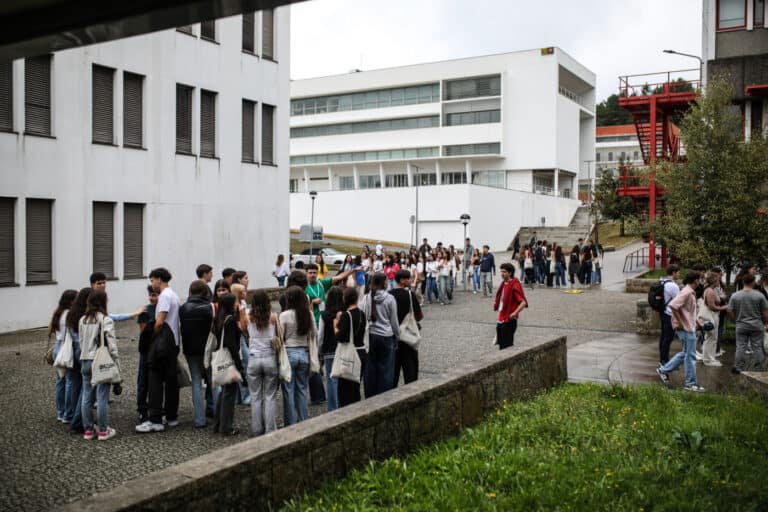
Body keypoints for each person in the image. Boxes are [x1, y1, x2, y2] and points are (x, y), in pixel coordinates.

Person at [137, 267, 181, 433]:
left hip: (162, 344)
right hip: (173, 343)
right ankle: (171, 417)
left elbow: (159, 322)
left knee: (154, 380)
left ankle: (155, 419)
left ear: (159, 279)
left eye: (152, 280)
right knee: (170, 381)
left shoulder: (164, 297)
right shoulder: (174, 295)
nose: (152, 284)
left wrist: (151, 338)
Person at [79, 290, 119, 440]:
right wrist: (116, 362)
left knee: (86, 397)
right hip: (100, 361)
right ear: (103, 302)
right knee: (102, 397)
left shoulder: (82, 319)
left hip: (85, 360)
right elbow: (112, 345)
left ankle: (88, 430)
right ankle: (103, 430)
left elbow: (81, 341)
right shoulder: (106, 320)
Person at [656, 271, 704, 392]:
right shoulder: (687, 292)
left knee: (686, 353)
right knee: (690, 356)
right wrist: (680, 322)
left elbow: (687, 311)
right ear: (696, 280)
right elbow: (673, 305)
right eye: (700, 279)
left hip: (688, 327)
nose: (701, 281)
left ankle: (663, 370)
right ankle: (690, 383)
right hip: (686, 328)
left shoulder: (688, 291)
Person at [179, 280, 215, 428]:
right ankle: (219, 414)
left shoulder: (183, 308)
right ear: (204, 292)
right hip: (207, 349)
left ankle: (199, 419)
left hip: (190, 349)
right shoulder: (209, 308)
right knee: (214, 380)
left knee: (196, 381)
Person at [280, 286, 315, 425]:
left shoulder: (284, 315)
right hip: (304, 354)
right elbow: (314, 334)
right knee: (302, 389)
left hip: (289, 354)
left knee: (288, 390)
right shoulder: (309, 314)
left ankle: (290, 423)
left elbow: (280, 337)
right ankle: (303, 419)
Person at [246, 290, 280, 435]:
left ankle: (257, 429)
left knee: (255, 396)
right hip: (269, 358)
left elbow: (245, 333)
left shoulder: (247, 317)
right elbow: (278, 336)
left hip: (253, 358)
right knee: (270, 396)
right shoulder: (273, 317)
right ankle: (270, 428)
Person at [361, 272, 400, 397]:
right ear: (384, 283)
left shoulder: (366, 297)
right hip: (386, 336)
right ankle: (384, 396)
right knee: (386, 369)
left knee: (370, 368)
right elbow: (394, 321)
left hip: (370, 335)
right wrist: (397, 336)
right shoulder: (389, 299)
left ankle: (370, 395)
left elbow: (362, 315)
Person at [212, 293, 244, 435]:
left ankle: (218, 424)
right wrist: (239, 364)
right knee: (229, 393)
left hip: (222, 358)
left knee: (224, 392)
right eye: (236, 302)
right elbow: (231, 344)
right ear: (231, 304)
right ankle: (226, 427)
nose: (238, 304)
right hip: (229, 360)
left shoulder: (219, 319)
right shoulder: (230, 320)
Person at [728, 273, 768, 374]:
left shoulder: (735, 295)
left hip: (741, 325)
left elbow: (730, 310)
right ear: (753, 282)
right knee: (757, 346)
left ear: (743, 282)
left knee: (740, 346)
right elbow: (765, 312)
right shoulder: (759, 295)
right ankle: (759, 368)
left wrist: (736, 319)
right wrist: (765, 322)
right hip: (756, 324)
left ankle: (738, 367)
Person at [335, 287, 368, 407]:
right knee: (356, 387)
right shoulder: (362, 314)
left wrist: (335, 327)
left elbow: (341, 337)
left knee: (345, 390)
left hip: (349, 355)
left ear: (345, 299)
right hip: (361, 352)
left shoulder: (345, 316)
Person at [65, 288, 92, 434]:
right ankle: (78, 420)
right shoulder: (85, 316)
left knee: (75, 387)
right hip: (82, 355)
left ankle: (75, 415)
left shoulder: (71, 313)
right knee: (85, 389)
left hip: (72, 355)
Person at [390, 270, 423, 386]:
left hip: (393, 337)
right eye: (408, 278)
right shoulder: (410, 295)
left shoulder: (389, 295)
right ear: (402, 280)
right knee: (411, 371)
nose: (410, 280)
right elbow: (419, 316)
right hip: (408, 337)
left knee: (393, 371)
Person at [50, 289, 78, 423]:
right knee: (70, 382)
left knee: (60, 382)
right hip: (66, 348)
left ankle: (60, 412)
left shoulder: (58, 312)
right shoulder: (69, 314)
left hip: (57, 347)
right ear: (71, 301)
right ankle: (68, 414)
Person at [319, 286, 344, 411]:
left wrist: (319, 352)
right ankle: (342, 404)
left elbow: (320, 335)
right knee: (342, 379)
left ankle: (333, 407)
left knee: (331, 380)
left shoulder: (324, 316)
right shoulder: (345, 314)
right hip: (342, 349)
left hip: (329, 350)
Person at [136, 285, 158, 423]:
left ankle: (155, 408)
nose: (151, 298)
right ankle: (142, 409)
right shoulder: (145, 310)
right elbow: (144, 332)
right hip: (146, 349)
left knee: (155, 381)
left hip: (159, 349)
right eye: (150, 295)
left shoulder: (163, 309)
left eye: (154, 295)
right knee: (143, 380)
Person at [493, 263, 528, 349]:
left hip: (509, 320)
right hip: (501, 318)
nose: (502, 274)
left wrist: (514, 313)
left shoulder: (514, 285)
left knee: (507, 346)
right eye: (501, 271)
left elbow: (523, 303)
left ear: (510, 273)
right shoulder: (503, 284)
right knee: (501, 345)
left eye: (504, 272)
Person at [230, 283, 251, 406]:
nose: (245, 293)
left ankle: (238, 396)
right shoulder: (241, 306)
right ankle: (246, 396)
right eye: (243, 291)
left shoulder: (229, 305)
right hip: (241, 339)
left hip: (233, 339)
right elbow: (244, 326)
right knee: (245, 365)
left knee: (235, 366)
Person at [700, 273, 727, 366]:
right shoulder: (710, 291)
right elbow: (712, 307)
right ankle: (709, 359)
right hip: (712, 315)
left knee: (711, 338)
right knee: (712, 338)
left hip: (713, 315)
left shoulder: (709, 290)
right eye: (718, 280)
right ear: (714, 281)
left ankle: (708, 358)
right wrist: (725, 307)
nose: (719, 281)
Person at [657, 265, 681, 365]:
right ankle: (664, 359)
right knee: (668, 337)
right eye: (678, 272)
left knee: (663, 336)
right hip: (669, 314)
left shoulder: (662, 281)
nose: (679, 274)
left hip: (663, 311)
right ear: (673, 272)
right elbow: (679, 300)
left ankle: (662, 357)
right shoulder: (673, 286)